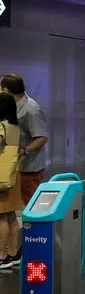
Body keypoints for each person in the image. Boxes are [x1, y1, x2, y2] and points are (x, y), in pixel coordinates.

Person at [0, 75, 48, 206]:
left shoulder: (31, 109)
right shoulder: (12, 105)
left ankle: (31, 227)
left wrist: (24, 151)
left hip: (29, 171)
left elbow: (42, 137)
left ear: (5, 90)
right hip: (15, 168)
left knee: (29, 208)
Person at [0, 92, 24, 270]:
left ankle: (2, 255)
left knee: (1, 218)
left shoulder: (1, 127)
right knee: (12, 218)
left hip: (1, 177)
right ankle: (14, 253)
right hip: (14, 176)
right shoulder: (15, 127)